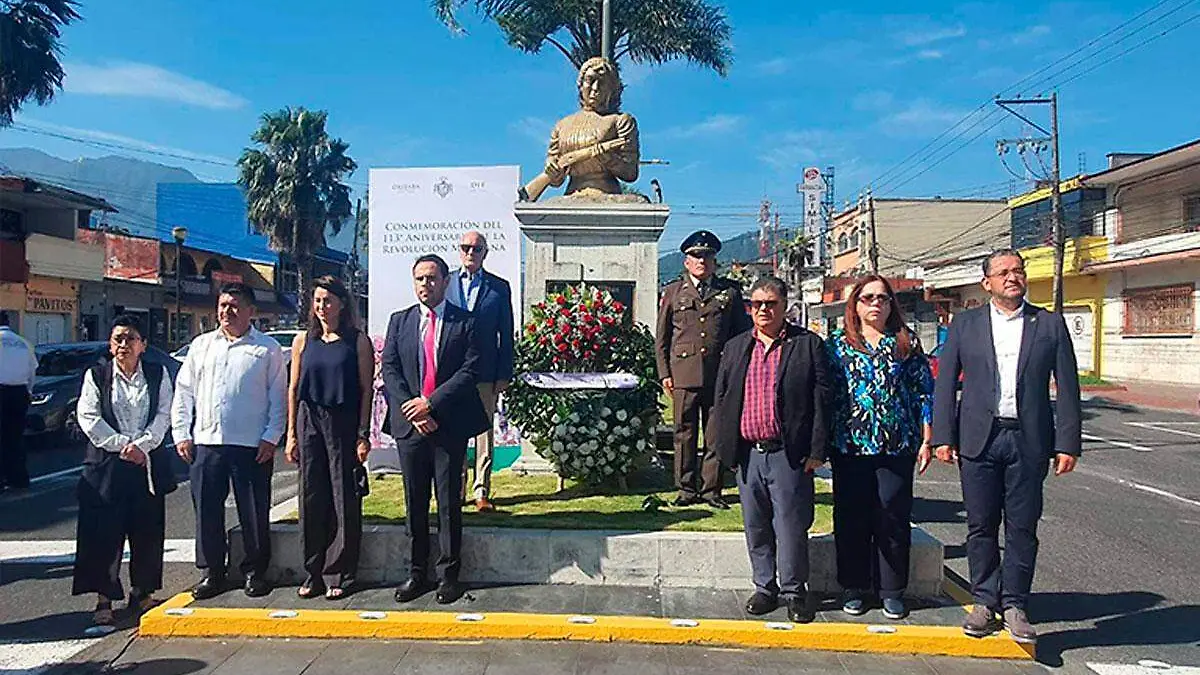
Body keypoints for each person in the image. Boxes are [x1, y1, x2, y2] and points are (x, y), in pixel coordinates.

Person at [932, 249, 1082, 644]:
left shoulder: (1048, 324)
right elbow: (946, 383)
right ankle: (984, 600)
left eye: (1018, 270)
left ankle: (1015, 603)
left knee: (1022, 526)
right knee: (980, 524)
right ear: (987, 283)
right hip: (979, 438)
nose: (1012, 277)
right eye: (1003, 272)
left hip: (1028, 439)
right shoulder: (966, 325)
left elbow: (1068, 387)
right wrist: (944, 437)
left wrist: (1068, 442)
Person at [709, 276, 830, 623]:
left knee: (791, 526)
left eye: (771, 303)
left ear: (784, 306)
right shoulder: (735, 347)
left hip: (787, 455)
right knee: (756, 525)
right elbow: (721, 398)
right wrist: (723, 448)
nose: (763, 309)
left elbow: (822, 401)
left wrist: (817, 450)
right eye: (757, 304)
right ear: (749, 308)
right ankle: (765, 587)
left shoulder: (807, 345)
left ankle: (794, 591)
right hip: (748, 454)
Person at [825, 276, 934, 621]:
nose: (876, 304)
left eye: (883, 298)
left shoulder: (905, 342)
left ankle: (891, 590)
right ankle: (853, 586)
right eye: (868, 297)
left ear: (891, 305)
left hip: (896, 445)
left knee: (893, 517)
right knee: (851, 518)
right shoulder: (837, 345)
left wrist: (927, 438)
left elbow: (923, 392)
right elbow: (826, 395)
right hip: (850, 445)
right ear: (855, 304)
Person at [382, 254, 489, 605]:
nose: (424, 285)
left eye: (431, 278)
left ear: (445, 281)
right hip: (410, 428)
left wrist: (431, 404)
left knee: (447, 504)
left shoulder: (465, 322)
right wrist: (414, 409)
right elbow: (391, 371)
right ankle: (416, 573)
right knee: (414, 503)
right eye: (419, 279)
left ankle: (448, 576)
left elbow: (470, 370)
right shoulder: (400, 321)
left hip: (448, 425)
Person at [172, 283, 287, 600]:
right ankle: (212, 572)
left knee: (253, 511)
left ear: (251, 311)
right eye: (223, 305)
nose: (227, 311)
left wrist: (271, 436)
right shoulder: (201, 346)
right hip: (207, 443)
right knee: (207, 510)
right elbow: (184, 393)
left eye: (235, 305)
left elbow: (278, 397)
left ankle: (255, 572)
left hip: (252, 444)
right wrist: (181, 432)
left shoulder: (267, 349)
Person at [73, 314, 174, 625]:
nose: (123, 345)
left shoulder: (158, 375)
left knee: (146, 531)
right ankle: (104, 597)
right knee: (104, 533)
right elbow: (88, 417)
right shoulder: (97, 375)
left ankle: (142, 593)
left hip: (146, 464)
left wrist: (142, 446)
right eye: (117, 338)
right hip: (107, 465)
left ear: (143, 345)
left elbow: (164, 414)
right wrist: (122, 445)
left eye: (130, 338)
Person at [286, 276, 373, 600]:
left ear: (341, 304)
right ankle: (313, 572)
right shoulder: (303, 341)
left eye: (328, 301)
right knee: (310, 497)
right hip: (310, 421)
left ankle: (339, 572)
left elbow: (366, 391)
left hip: (343, 422)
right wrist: (292, 433)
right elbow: (294, 389)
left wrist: (362, 435)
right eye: (318, 300)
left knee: (342, 497)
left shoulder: (357, 341)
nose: (322, 307)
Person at [655, 230, 752, 509]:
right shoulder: (673, 292)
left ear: (714, 260)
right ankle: (686, 489)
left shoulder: (729, 292)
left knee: (715, 434)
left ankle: (712, 490)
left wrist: (736, 372)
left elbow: (740, 335)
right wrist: (665, 374)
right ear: (686, 261)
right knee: (683, 433)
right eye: (696, 256)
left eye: (707, 255)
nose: (702, 261)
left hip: (718, 374)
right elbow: (662, 338)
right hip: (683, 375)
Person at [446, 230, 514, 512]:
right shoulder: (445, 281)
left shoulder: (499, 288)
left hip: (485, 372)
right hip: (451, 372)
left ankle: (481, 491)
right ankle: (455, 489)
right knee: (454, 431)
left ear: (485, 253)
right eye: (466, 248)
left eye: (476, 249)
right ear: (459, 250)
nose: (470, 253)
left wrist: (504, 373)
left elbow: (506, 334)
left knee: (483, 432)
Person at [0, 310, 37, 492]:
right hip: (19, 392)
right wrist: (28, 392)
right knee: (15, 437)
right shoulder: (23, 343)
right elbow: (32, 372)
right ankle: (19, 478)